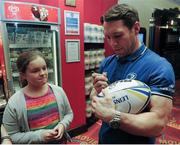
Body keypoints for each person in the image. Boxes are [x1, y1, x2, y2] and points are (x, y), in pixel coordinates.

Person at [90, 3, 175, 144]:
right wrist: (98, 93)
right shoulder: (107, 63)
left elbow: (158, 123)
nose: (112, 43)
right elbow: (95, 100)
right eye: (108, 37)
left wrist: (114, 116)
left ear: (136, 28)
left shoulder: (159, 67)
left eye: (117, 35)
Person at [2, 50, 73, 144]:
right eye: (35, 71)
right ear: (23, 75)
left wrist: (62, 125)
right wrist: (39, 136)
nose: (42, 73)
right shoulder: (14, 103)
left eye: (44, 68)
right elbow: (12, 135)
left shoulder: (58, 91)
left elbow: (69, 114)